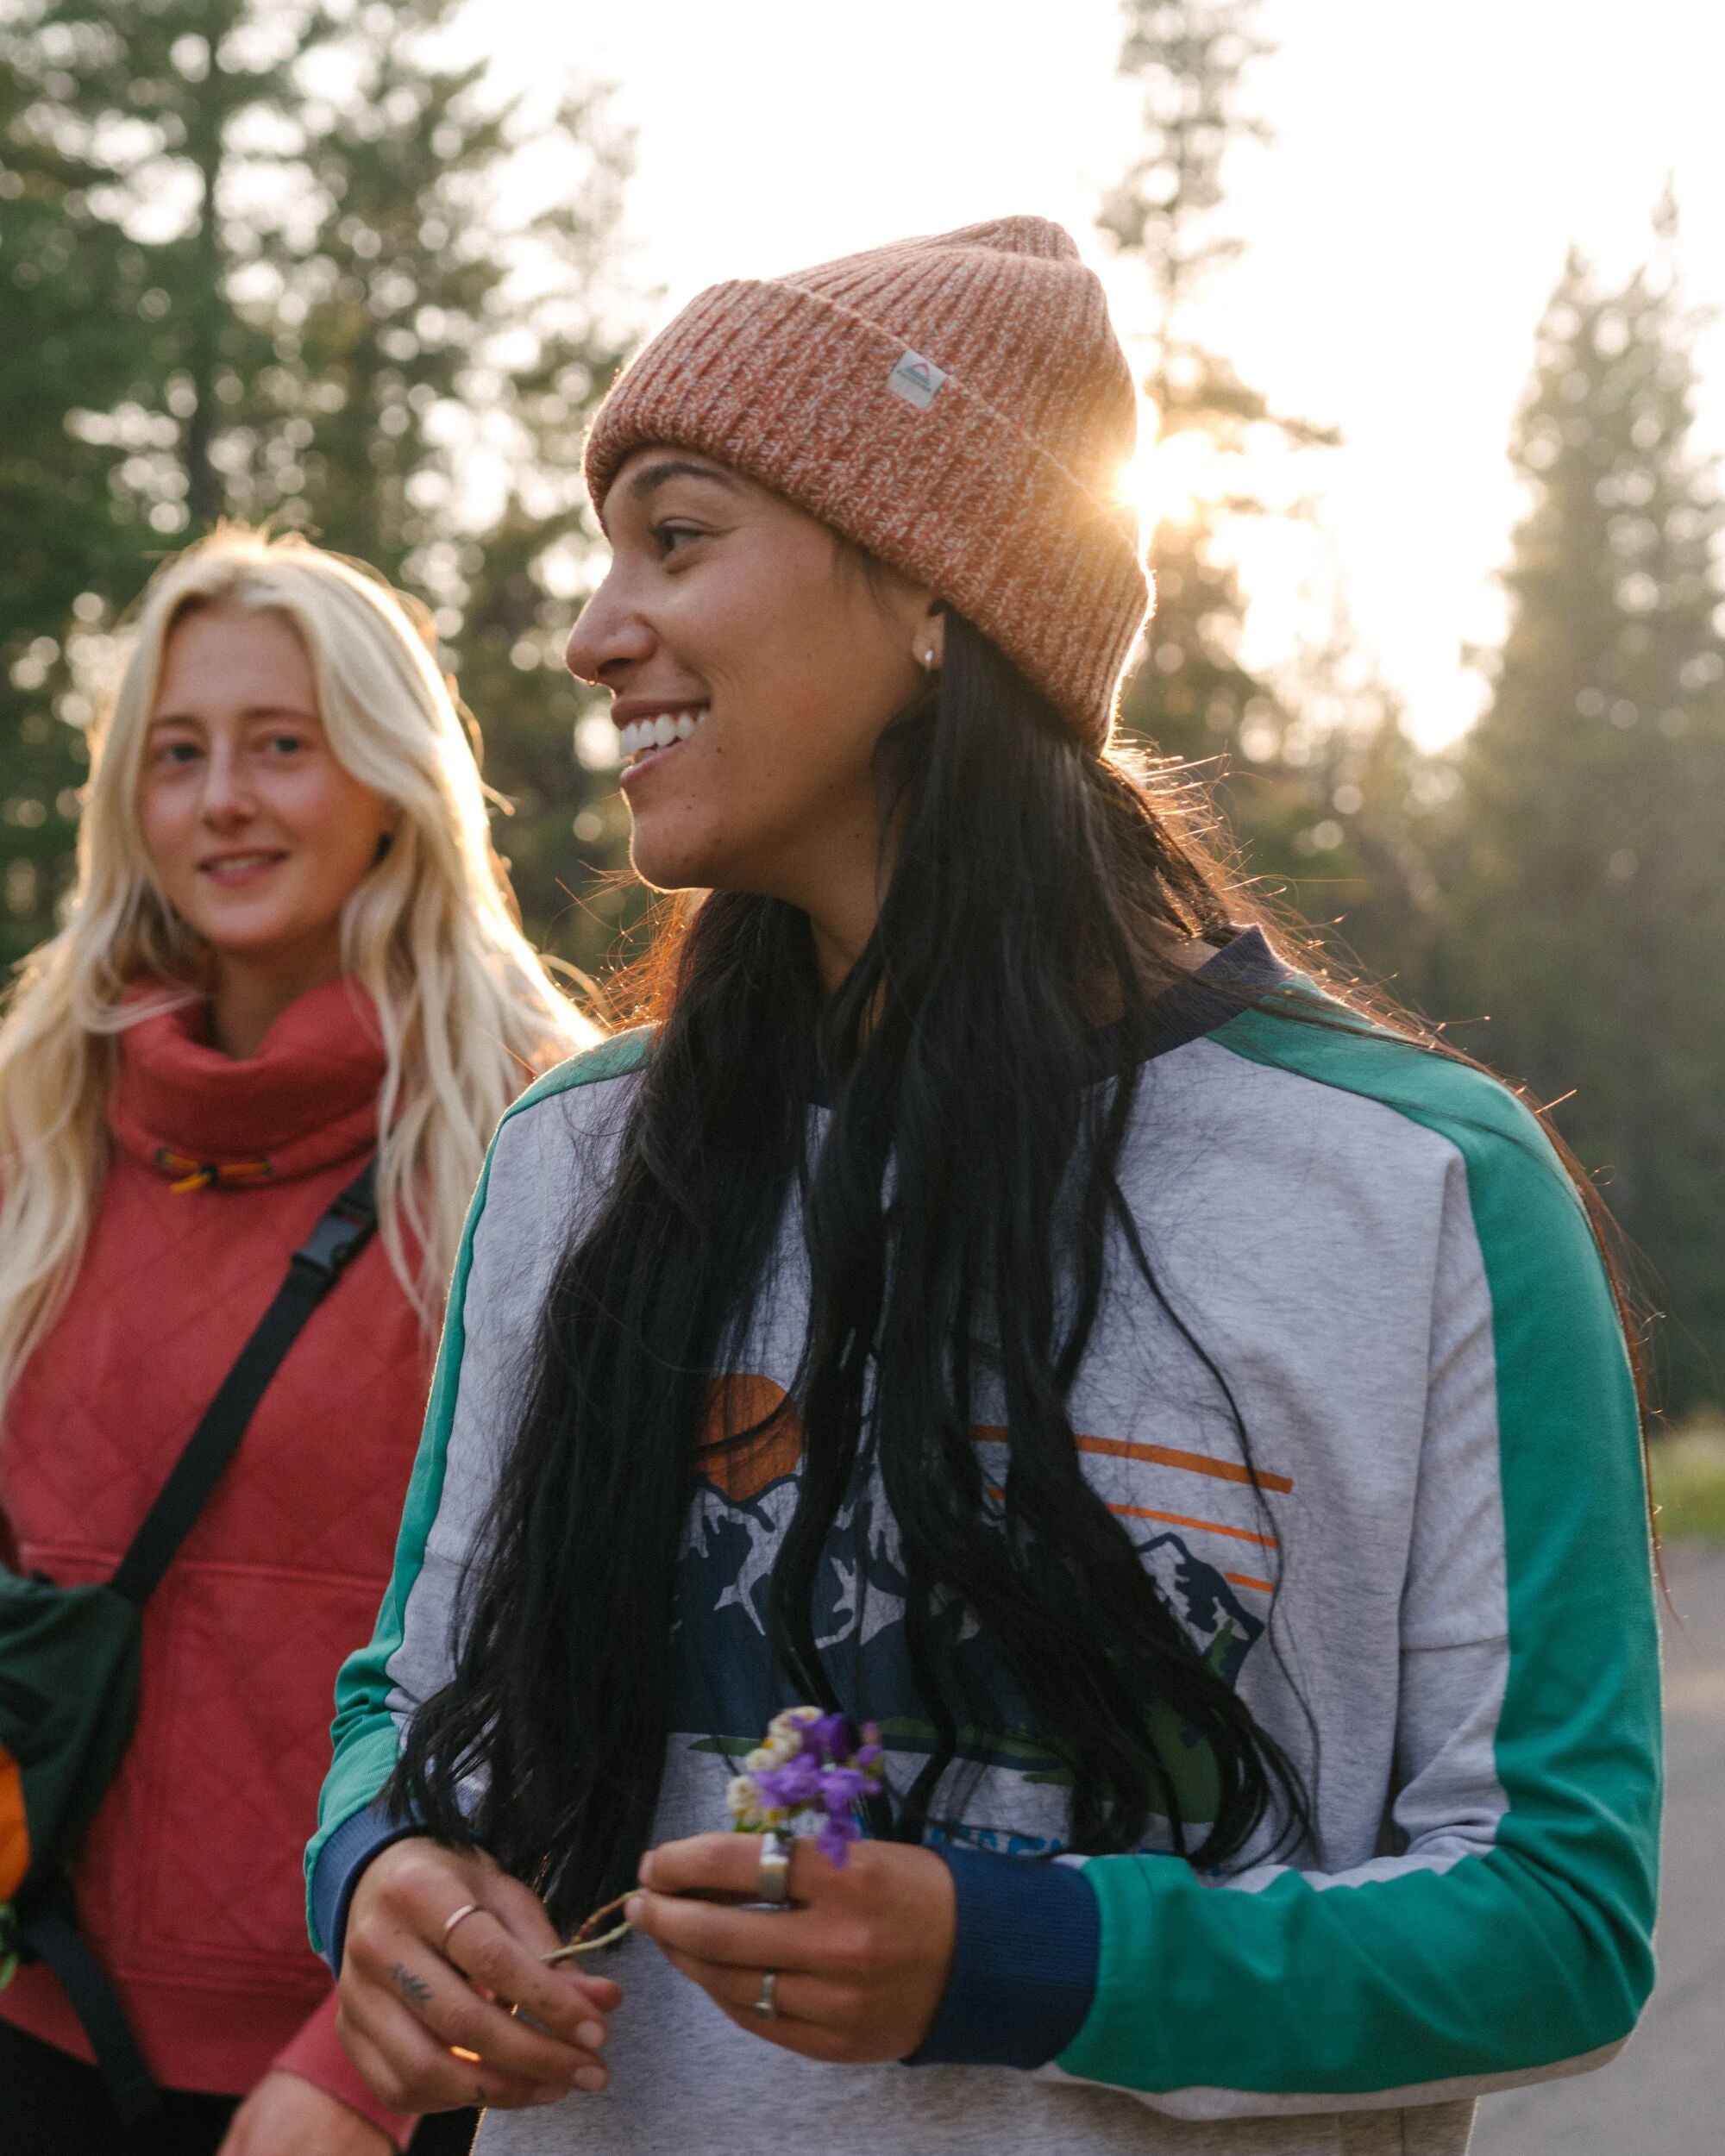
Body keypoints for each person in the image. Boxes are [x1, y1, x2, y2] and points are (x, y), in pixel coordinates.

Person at [310, 220, 1661, 2155]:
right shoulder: (577, 1153)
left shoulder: (1425, 1189)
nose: (597, 632)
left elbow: (1556, 1919)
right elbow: (411, 1690)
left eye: (676, 538)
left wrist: (1025, 1955)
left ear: (939, 592)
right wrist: (382, 1869)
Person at [0, 529, 596, 2154]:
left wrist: (364, 2057)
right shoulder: (39, 1108)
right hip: (39, 2017)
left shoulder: (545, 1131)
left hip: (376, 2058)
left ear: (394, 779)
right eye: (176, 754)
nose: (222, 801)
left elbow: (583, 1634)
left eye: (281, 744)